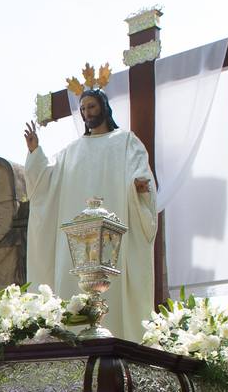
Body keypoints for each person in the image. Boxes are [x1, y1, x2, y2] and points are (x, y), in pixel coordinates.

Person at [23, 90, 157, 340]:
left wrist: (136, 186)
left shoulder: (126, 142)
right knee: (72, 292)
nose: (87, 113)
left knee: (113, 294)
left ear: (104, 108)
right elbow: (45, 183)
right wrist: (35, 153)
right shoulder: (71, 152)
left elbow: (140, 174)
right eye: (83, 109)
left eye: (92, 107)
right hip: (76, 245)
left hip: (112, 239)